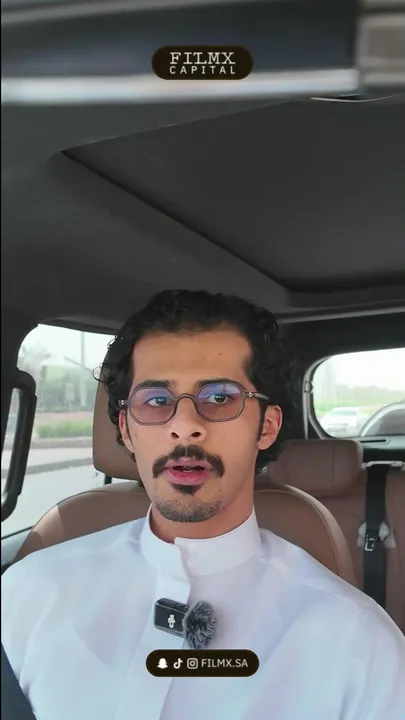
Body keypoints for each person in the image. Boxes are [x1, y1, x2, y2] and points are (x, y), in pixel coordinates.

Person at [2, 289, 405, 720]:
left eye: (219, 397)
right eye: (157, 401)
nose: (185, 426)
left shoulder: (357, 642)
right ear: (127, 429)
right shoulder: (29, 592)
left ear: (266, 427)